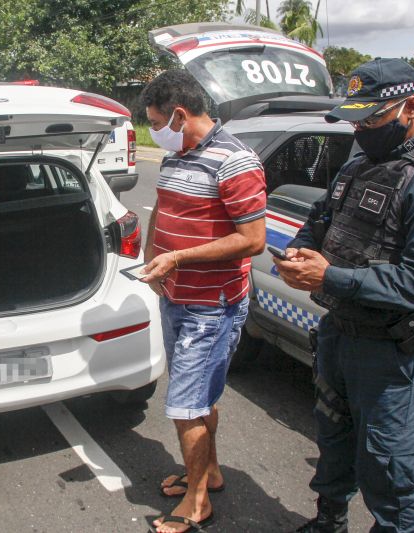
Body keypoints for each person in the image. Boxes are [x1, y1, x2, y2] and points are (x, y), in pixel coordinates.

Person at [275, 58, 414, 533]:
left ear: (411, 107)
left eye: (372, 118)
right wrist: (301, 249)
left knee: (391, 467)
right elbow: (322, 218)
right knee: (333, 437)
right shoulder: (362, 161)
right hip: (339, 335)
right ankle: (329, 521)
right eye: (356, 119)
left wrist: (330, 278)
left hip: (390, 353)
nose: (361, 128)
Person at [140, 70, 267, 533]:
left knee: (186, 405)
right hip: (176, 296)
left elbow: (253, 240)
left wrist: (177, 257)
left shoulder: (235, 161)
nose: (154, 130)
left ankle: (196, 503)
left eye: (155, 121)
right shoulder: (178, 155)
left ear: (179, 114)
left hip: (211, 306)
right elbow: (164, 208)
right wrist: (154, 257)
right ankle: (208, 474)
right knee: (199, 396)